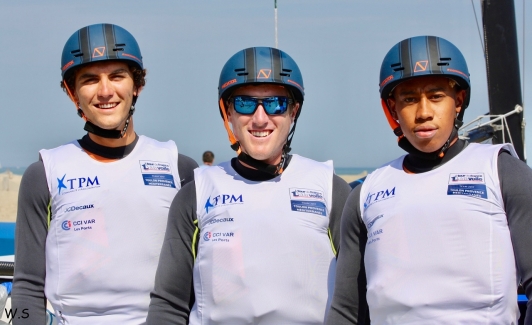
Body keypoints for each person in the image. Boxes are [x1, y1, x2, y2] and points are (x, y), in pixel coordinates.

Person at [326, 35, 532, 324]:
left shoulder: (503, 172)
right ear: (393, 109)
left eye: (436, 97)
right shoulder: (365, 194)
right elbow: (347, 311)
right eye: (409, 99)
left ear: (458, 101)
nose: (423, 112)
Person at [147, 47, 351, 324]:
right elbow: (170, 304)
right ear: (227, 112)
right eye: (244, 103)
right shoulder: (195, 193)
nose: (259, 118)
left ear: (294, 111)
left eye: (276, 104)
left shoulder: (331, 190)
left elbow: (354, 301)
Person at [11, 23, 198, 324]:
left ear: (137, 85)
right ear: (73, 93)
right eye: (90, 80)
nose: (105, 91)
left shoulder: (181, 170)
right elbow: (28, 286)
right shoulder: (43, 174)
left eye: (117, 76)